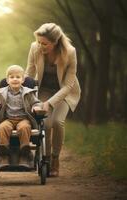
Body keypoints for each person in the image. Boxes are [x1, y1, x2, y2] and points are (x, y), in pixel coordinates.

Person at [25, 23, 81, 177]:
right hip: (43, 90)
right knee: (47, 123)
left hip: (64, 92)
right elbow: (29, 73)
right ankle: (46, 158)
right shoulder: (34, 48)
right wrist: (21, 92)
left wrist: (50, 103)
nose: (40, 46)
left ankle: (56, 158)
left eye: (45, 43)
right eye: (39, 42)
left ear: (55, 42)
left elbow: (68, 85)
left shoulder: (70, 52)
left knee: (57, 122)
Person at [0, 65, 42, 168]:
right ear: (7, 80)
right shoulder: (3, 93)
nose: (15, 79)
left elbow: (36, 103)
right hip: (8, 119)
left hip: (24, 119)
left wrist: (36, 107)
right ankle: (4, 154)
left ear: (23, 80)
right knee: (3, 127)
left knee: (24, 127)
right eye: (12, 77)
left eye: (18, 77)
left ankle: (24, 154)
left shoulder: (28, 92)